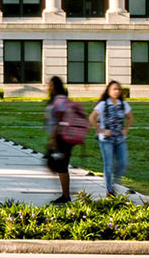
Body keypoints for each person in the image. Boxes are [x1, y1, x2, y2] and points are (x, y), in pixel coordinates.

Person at [42, 76, 84, 204]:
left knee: (60, 166)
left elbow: (60, 121)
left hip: (62, 138)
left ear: (55, 86)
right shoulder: (60, 99)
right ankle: (65, 194)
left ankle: (66, 195)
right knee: (59, 166)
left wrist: (54, 138)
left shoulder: (60, 100)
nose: (48, 87)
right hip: (62, 138)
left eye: (50, 84)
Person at [91, 80, 132, 197]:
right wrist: (101, 130)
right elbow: (92, 118)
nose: (116, 91)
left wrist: (126, 129)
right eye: (114, 89)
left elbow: (130, 118)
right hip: (106, 139)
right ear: (108, 91)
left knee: (123, 162)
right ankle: (109, 190)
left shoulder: (123, 104)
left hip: (119, 139)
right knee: (108, 165)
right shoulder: (103, 104)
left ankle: (114, 182)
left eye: (118, 89)